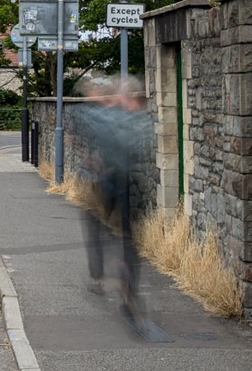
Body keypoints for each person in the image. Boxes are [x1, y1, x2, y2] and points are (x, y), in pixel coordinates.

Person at [77, 77, 150, 324]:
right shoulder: (137, 121)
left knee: (98, 231)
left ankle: (100, 277)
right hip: (127, 185)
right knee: (126, 240)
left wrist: (98, 104)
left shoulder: (108, 117)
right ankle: (128, 292)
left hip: (106, 185)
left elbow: (89, 124)